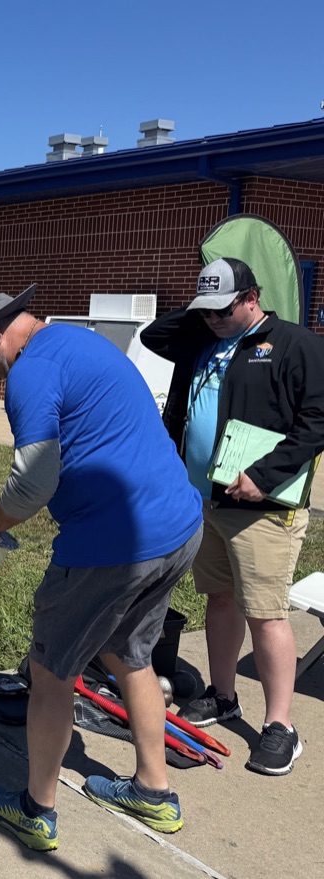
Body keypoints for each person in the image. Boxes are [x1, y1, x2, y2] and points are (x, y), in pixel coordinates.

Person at [0, 286, 203, 851]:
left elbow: (34, 481)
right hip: (179, 526)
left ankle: (36, 810)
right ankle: (153, 791)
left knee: (51, 673)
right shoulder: (76, 340)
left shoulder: (30, 372)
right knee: (130, 654)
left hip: (113, 545)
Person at [140, 256, 324, 775]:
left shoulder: (295, 344)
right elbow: (156, 334)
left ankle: (280, 726)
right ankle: (223, 696)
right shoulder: (201, 339)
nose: (214, 319)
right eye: (207, 310)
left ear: (252, 298)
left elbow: (317, 422)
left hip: (261, 506)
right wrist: (205, 312)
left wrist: (264, 475)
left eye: (224, 309)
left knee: (265, 612)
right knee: (219, 599)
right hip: (206, 500)